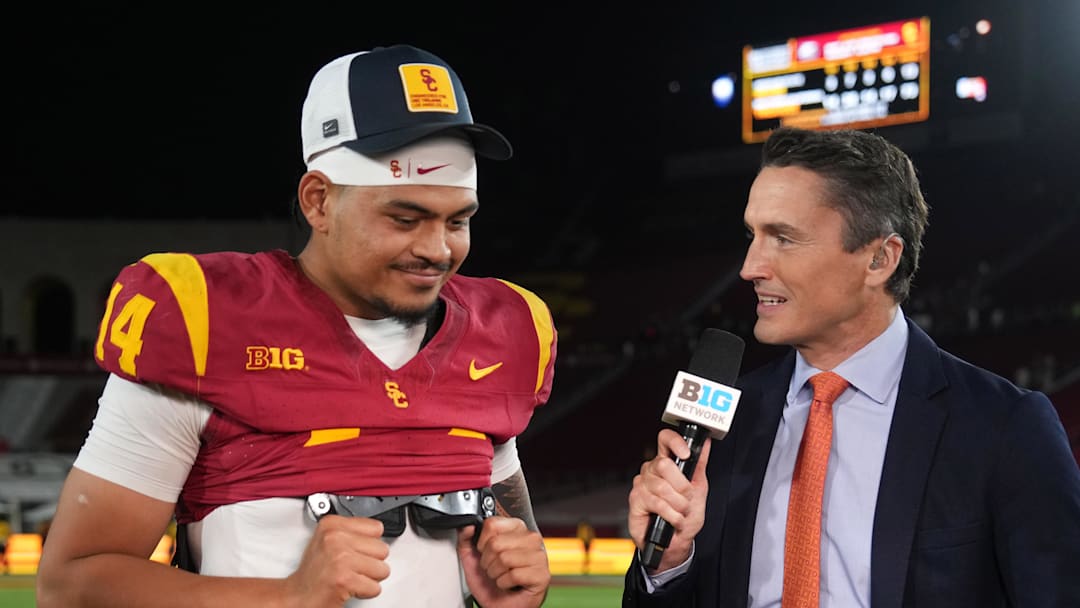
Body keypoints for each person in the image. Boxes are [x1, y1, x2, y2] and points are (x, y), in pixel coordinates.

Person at [37, 44, 556, 608]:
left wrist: (516, 592)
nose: (436, 249)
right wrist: (286, 597)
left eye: (457, 221)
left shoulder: (505, 333)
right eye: (405, 219)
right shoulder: (205, 324)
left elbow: (503, 548)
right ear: (319, 201)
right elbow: (71, 585)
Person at [623, 126, 1080, 607]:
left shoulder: (1004, 427)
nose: (750, 266)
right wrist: (671, 563)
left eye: (783, 237)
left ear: (880, 259)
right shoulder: (730, 425)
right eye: (752, 235)